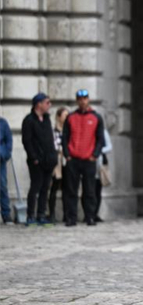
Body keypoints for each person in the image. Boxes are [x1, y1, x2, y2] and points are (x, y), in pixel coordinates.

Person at [62, 90, 105, 226]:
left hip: (88, 160)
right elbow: (65, 138)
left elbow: (100, 139)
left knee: (89, 190)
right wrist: (67, 155)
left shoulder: (96, 117)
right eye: (80, 98)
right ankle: (71, 218)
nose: (82, 101)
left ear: (88, 100)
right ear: (77, 100)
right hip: (73, 159)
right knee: (71, 190)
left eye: (85, 98)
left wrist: (95, 155)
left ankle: (90, 217)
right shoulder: (70, 117)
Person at [22, 93, 59, 225]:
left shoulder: (47, 119)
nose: (49, 105)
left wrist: (53, 157)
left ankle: (41, 214)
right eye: (47, 102)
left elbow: (49, 139)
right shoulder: (29, 120)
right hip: (36, 161)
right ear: (39, 104)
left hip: (48, 160)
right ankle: (30, 215)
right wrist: (34, 158)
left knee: (45, 188)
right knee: (35, 187)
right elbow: (27, 141)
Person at [49, 107, 70, 223]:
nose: (67, 118)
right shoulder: (54, 132)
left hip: (67, 162)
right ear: (58, 117)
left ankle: (67, 214)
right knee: (54, 188)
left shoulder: (69, 131)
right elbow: (53, 146)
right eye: (64, 115)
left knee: (67, 189)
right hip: (57, 163)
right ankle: (51, 213)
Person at [0, 115, 12, 224]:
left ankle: (6, 214)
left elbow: (9, 140)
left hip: (0, 160)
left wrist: (5, 154)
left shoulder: (3, 123)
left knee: (2, 186)